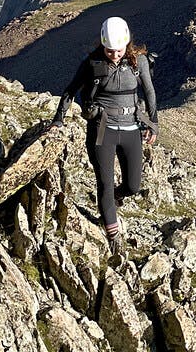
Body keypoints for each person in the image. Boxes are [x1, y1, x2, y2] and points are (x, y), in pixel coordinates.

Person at [49, 16, 158, 255]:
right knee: (105, 183)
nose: (114, 55)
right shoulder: (92, 63)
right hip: (102, 129)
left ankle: (114, 199)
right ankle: (113, 236)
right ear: (103, 45)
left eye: (118, 50)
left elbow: (149, 93)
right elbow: (70, 91)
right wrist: (58, 121)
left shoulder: (138, 62)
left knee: (133, 185)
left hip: (130, 128)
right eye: (110, 50)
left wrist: (153, 124)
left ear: (126, 44)